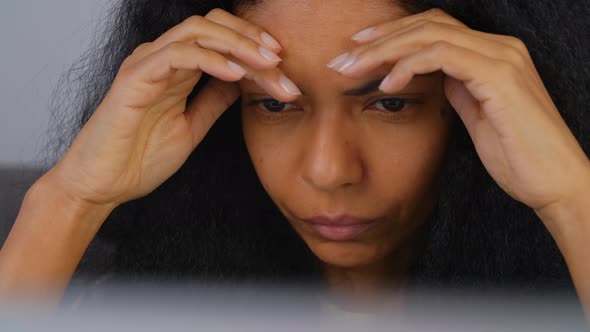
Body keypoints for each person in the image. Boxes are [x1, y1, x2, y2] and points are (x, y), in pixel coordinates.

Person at [0, 0, 589, 316]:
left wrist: (570, 194)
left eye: (390, 103)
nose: (328, 171)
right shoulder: (133, 304)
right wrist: (71, 199)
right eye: (275, 107)